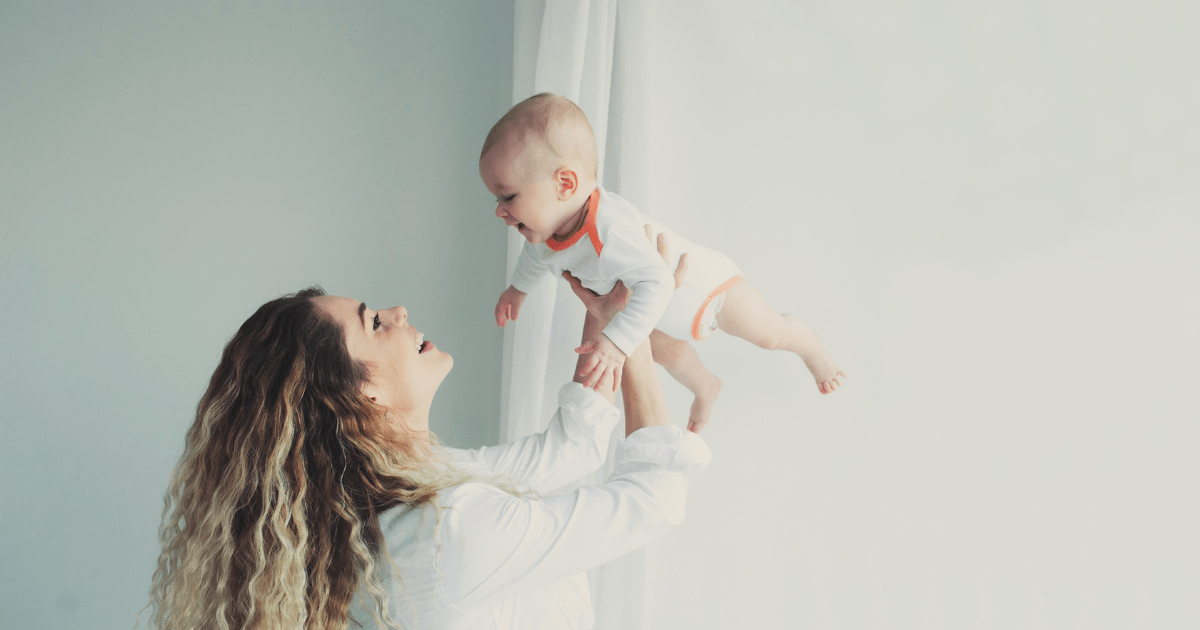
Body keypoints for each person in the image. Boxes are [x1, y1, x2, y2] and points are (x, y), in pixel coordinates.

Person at [144, 253, 707, 630]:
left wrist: (609, 321)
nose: (398, 312)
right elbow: (655, 499)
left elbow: (568, 450)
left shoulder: (404, 505)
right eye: (374, 323)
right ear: (358, 393)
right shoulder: (446, 529)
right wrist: (633, 334)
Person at [481, 92, 846, 432]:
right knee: (667, 353)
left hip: (709, 293)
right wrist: (517, 290)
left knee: (769, 335)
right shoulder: (548, 232)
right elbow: (536, 257)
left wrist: (617, 342)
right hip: (660, 314)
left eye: (508, 196)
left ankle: (810, 346)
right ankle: (706, 388)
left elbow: (657, 282)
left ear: (565, 183)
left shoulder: (609, 229)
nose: (499, 211)